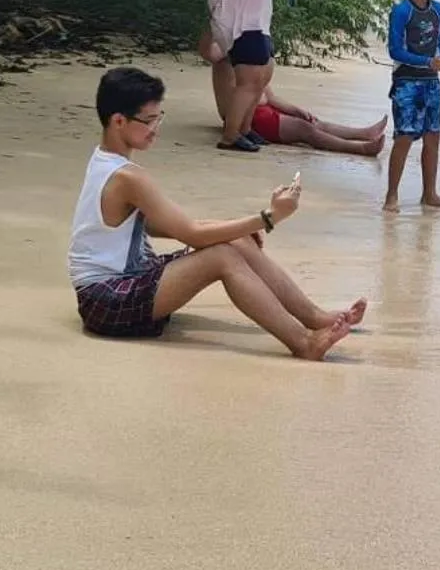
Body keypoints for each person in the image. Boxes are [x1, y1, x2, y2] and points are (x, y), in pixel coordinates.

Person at [68, 66, 363, 359]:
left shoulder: (105, 161)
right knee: (222, 257)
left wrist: (242, 228)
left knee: (236, 242)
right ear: (118, 121)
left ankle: (314, 317)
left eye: (159, 117)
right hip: (106, 299)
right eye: (148, 120)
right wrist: (269, 217)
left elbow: (160, 226)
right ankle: (304, 343)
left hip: (128, 280)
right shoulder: (127, 177)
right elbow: (191, 234)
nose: (156, 128)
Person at [192, 0, 280, 152]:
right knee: (248, 81)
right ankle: (230, 135)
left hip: (257, 24)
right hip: (241, 27)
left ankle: (245, 129)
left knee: (260, 79)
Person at [383, 0, 440, 212]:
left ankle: (430, 193)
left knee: (433, 136)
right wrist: (428, 62)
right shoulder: (402, 11)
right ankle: (392, 195)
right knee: (404, 136)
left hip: (432, 82)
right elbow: (395, 51)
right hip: (406, 82)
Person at [249, 91, 388, 157]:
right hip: (253, 115)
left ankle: (364, 133)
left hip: (264, 109)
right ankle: (360, 148)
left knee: (313, 122)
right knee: (303, 129)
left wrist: (296, 110)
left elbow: (270, 97)